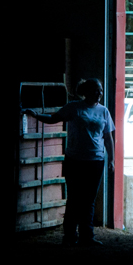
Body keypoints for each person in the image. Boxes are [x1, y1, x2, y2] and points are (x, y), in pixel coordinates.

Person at [23, 78, 114, 247]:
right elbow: (53, 119)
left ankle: (87, 235)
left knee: (89, 200)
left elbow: (108, 137)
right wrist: (36, 115)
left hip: (95, 160)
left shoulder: (104, 111)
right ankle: (70, 235)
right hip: (75, 160)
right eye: (96, 90)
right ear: (86, 91)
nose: (99, 93)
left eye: (100, 90)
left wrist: (112, 160)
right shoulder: (74, 107)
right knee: (74, 198)